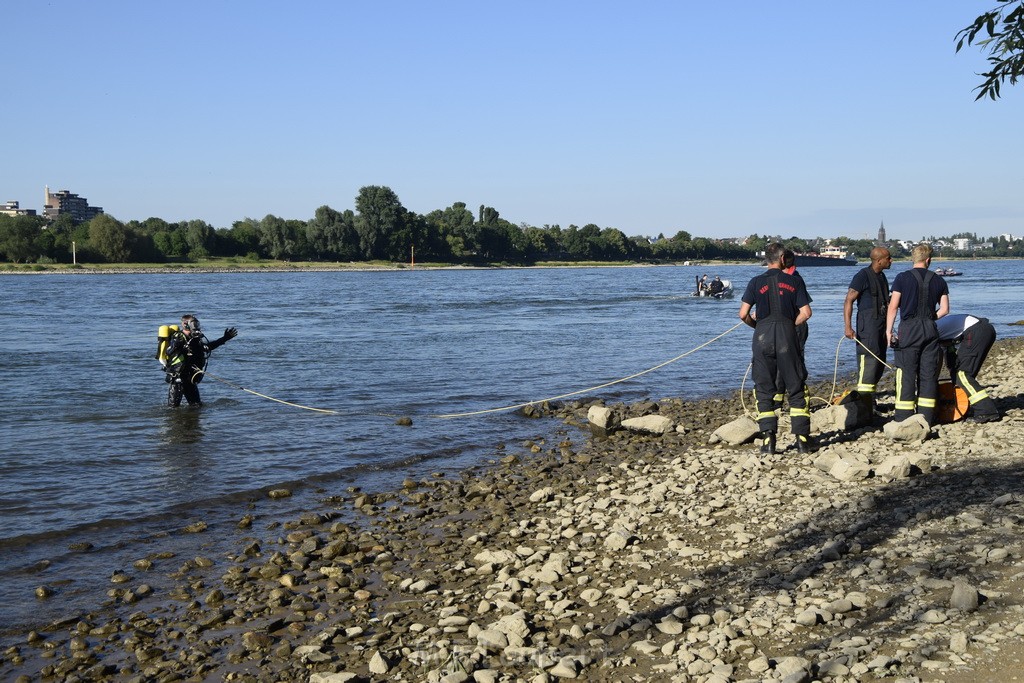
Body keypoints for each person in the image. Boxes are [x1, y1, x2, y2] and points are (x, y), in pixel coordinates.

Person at [739, 242, 814, 455]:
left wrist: (757, 325)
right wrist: (791, 325)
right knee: (796, 385)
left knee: (764, 388)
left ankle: (768, 440)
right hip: (787, 335)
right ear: (782, 258)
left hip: (762, 336)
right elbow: (806, 312)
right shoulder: (794, 281)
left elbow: (743, 314)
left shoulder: (755, 282)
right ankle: (801, 440)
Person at [885, 244, 949, 424]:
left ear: (913, 259)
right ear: (928, 260)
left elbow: (893, 307)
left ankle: (903, 417)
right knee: (928, 374)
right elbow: (945, 310)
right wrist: (929, 318)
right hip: (930, 327)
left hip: (908, 329)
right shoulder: (939, 280)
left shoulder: (901, 278)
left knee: (907, 372)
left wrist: (889, 331)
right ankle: (926, 418)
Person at [842, 247, 892, 411]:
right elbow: (848, 300)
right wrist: (848, 327)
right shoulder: (862, 276)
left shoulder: (882, 276)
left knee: (879, 362)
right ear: (879, 261)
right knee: (868, 362)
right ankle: (864, 404)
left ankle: (870, 400)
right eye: (888, 258)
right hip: (867, 327)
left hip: (881, 325)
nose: (890, 261)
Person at [164, 314, 238, 406]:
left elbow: (208, 347)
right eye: (194, 324)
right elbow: (168, 352)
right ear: (186, 324)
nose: (196, 326)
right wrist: (177, 345)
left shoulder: (196, 339)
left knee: (197, 406)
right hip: (178, 379)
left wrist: (225, 338)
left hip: (191, 379)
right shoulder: (178, 337)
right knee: (173, 409)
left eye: (197, 324)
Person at [937, 314, 999, 422]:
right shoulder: (941, 325)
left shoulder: (932, 329)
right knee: (960, 374)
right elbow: (948, 349)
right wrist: (952, 368)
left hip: (976, 331)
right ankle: (968, 405)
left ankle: (987, 411)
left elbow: (937, 356)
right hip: (984, 330)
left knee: (962, 375)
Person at [773, 249, 811, 410]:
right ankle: (777, 400)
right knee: (777, 363)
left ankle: (801, 399)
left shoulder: (795, 279)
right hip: (781, 326)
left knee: (795, 362)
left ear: (782, 261)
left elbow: (805, 310)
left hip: (796, 326)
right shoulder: (778, 279)